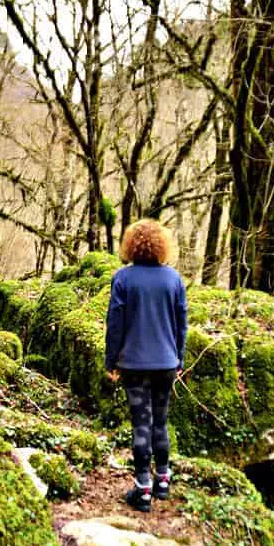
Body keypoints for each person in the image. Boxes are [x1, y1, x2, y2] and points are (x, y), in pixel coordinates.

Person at [104, 219, 188, 513]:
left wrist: (110, 360)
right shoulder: (174, 279)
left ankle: (143, 490)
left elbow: (115, 324)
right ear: (162, 246)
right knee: (160, 423)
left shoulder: (123, 278)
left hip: (134, 364)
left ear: (131, 245)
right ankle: (163, 481)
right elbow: (182, 325)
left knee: (142, 424)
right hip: (167, 363)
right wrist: (180, 359)